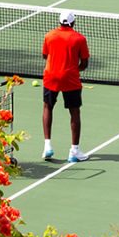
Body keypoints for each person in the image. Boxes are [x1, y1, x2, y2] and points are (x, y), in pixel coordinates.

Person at [41, 10, 90, 162]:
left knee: (47, 107)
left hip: (51, 78)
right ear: (73, 23)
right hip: (70, 79)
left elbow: (45, 55)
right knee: (74, 112)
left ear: (60, 22)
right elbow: (84, 63)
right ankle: (74, 151)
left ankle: (47, 146)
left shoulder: (49, 36)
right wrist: (74, 69)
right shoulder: (79, 39)